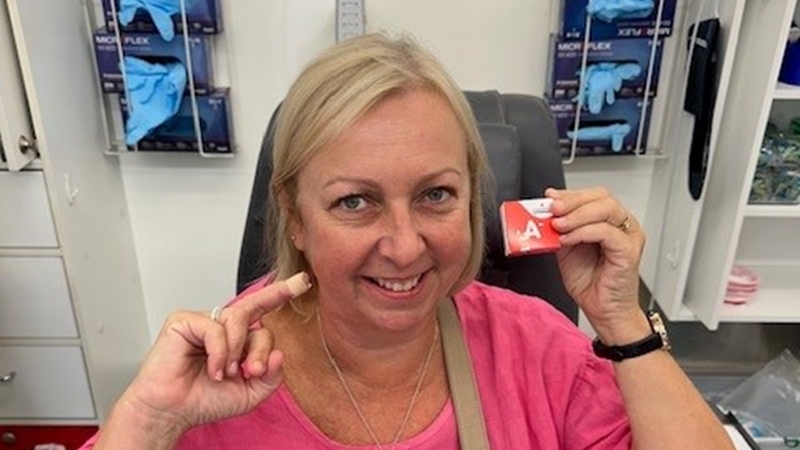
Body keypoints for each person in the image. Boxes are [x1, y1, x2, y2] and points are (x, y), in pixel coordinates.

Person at [81, 32, 734, 450]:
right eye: (355, 201)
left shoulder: (536, 350)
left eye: (435, 195)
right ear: (295, 217)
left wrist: (624, 324)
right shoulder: (219, 378)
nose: (403, 246)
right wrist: (150, 421)